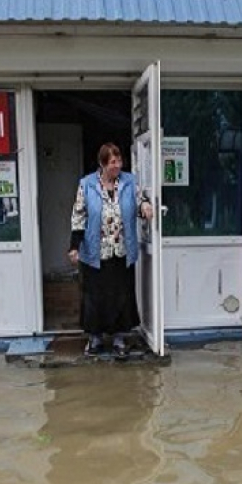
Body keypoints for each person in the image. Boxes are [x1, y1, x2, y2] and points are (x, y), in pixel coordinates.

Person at [68, 143, 154, 358]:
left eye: (119, 161)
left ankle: (118, 339)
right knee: (95, 296)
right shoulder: (86, 184)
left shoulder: (129, 181)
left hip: (121, 250)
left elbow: (139, 200)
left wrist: (145, 206)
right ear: (102, 164)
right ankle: (95, 339)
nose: (117, 166)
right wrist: (74, 246)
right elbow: (78, 215)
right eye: (112, 162)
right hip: (95, 252)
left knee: (120, 295)